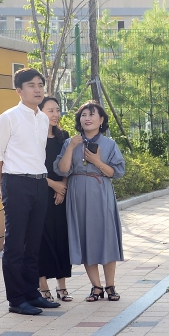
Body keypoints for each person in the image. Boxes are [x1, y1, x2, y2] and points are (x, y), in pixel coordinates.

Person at [0, 67, 61, 315]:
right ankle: (16, 299)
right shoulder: (7, 118)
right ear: (19, 90)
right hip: (15, 182)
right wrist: (3, 184)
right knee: (15, 244)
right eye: (31, 85)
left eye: (40, 84)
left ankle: (32, 293)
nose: (38, 89)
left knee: (34, 243)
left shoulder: (42, 118)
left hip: (40, 183)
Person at [54, 102, 125, 303]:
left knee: (106, 237)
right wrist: (71, 147)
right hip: (77, 194)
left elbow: (116, 172)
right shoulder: (70, 142)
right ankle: (96, 287)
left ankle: (110, 286)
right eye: (83, 114)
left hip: (101, 192)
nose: (87, 118)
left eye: (92, 114)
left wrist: (97, 161)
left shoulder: (110, 144)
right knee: (85, 238)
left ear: (101, 120)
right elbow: (62, 169)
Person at [37, 96, 72, 302]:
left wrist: (63, 187)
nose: (56, 114)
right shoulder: (34, 138)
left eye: (57, 110)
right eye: (50, 110)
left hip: (61, 195)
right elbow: (34, 167)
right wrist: (54, 185)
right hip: (41, 192)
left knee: (61, 238)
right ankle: (43, 287)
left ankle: (62, 286)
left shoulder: (63, 137)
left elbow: (69, 164)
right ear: (40, 112)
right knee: (43, 240)